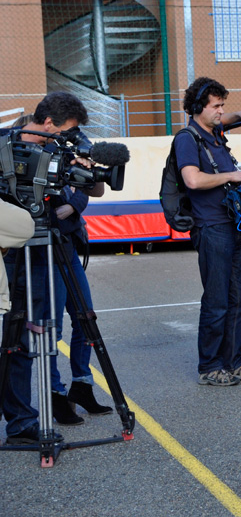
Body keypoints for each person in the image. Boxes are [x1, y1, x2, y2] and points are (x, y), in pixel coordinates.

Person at [1, 93, 96, 444]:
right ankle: (20, 418)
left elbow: (92, 189)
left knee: (42, 333)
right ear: (48, 123)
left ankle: (27, 419)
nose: (68, 138)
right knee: (14, 337)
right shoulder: (3, 144)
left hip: (51, 244)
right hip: (13, 251)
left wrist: (87, 170)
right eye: (66, 131)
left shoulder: (61, 149)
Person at [12, 111, 111, 426]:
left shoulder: (63, 152)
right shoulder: (24, 164)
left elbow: (94, 189)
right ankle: (55, 394)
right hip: (42, 250)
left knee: (86, 319)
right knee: (49, 329)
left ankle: (82, 385)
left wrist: (74, 203)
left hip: (67, 245)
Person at [174, 77, 241, 386]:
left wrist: (239, 115)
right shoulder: (187, 138)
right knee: (217, 300)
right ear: (199, 107)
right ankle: (209, 366)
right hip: (211, 229)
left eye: (222, 105)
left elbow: (224, 119)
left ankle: (233, 362)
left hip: (233, 225)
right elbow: (193, 180)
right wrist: (232, 176)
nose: (220, 111)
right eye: (216, 106)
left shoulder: (215, 133)